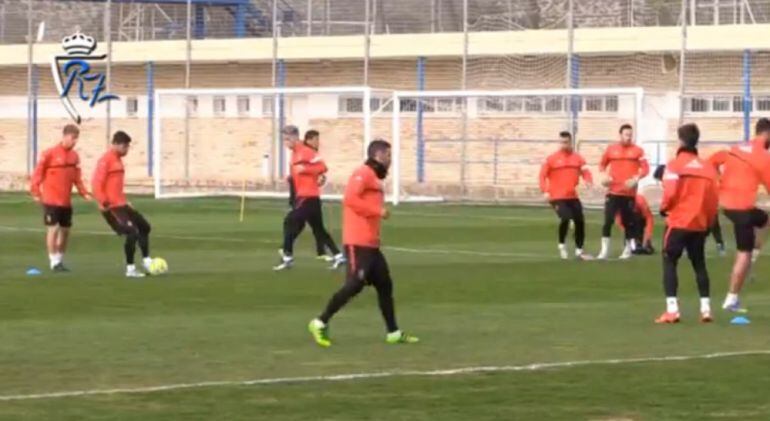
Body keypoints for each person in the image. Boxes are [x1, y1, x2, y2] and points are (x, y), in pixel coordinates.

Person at [308, 139, 418, 347]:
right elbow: (350, 199)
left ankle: (393, 332)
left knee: (385, 284)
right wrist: (378, 211)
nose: (390, 160)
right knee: (354, 285)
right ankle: (319, 322)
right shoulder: (363, 172)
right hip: (357, 242)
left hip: (371, 243)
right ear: (377, 155)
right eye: (387, 155)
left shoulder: (374, 177)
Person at [655, 123, 719, 324]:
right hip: (699, 223)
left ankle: (672, 310)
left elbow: (670, 192)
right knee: (699, 263)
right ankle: (706, 309)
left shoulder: (674, 165)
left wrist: (664, 207)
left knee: (669, 260)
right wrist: (708, 222)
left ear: (680, 140)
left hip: (679, 221)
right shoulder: (708, 168)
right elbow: (713, 199)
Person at [708, 118, 770, 312]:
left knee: (765, 219)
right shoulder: (764, 157)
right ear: (767, 134)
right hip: (742, 208)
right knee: (743, 252)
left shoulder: (736, 148)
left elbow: (711, 161)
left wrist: (718, 181)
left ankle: (753, 254)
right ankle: (731, 299)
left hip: (727, 204)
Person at [274, 130, 345, 270]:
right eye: (284, 140)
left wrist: (306, 169)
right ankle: (338, 256)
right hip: (307, 196)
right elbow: (298, 174)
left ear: (294, 138)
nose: (285, 143)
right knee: (319, 230)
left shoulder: (305, 151)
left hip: (308, 197)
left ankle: (287, 256)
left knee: (290, 220)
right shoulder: (294, 153)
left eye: (287, 139)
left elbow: (323, 167)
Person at [92, 131, 155, 278]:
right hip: (111, 207)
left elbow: (115, 186)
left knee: (145, 227)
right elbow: (96, 184)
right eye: (125, 147)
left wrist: (125, 201)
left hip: (121, 205)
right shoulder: (105, 160)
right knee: (132, 232)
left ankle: (146, 260)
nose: (127, 150)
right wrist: (104, 201)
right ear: (117, 144)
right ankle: (130, 269)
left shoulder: (118, 160)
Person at [30, 124, 91, 272]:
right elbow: (37, 174)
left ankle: (59, 260)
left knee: (65, 231)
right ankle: (53, 261)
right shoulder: (49, 154)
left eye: (76, 138)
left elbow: (77, 178)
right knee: (54, 229)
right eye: (73, 138)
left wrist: (84, 192)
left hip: (65, 201)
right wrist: (36, 192)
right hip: (51, 199)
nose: (75, 141)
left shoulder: (74, 156)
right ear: (64, 136)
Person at [538, 131, 593, 260]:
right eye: (561, 142)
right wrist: (545, 190)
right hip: (556, 197)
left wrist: (589, 181)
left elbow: (586, 172)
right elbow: (542, 175)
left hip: (572, 196)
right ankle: (561, 244)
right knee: (566, 218)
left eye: (566, 142)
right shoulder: (551, 159)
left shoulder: (578, 158)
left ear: (570, 142)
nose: (563, 145)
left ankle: (579, 250)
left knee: (580, 220)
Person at [597, 124, 649, 260]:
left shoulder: (638, 151)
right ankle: (604, 251)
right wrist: (604, 176)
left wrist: (636, 178)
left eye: (630, 135)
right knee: (608, 221)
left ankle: (627, 250)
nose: (628, 137)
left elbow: (645, 168)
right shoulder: (611, 150)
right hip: (613, 192)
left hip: (628, 194)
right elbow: (602, 164)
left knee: (628, 223)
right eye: (626, 134)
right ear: (620, 135)